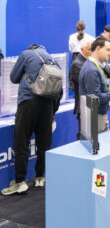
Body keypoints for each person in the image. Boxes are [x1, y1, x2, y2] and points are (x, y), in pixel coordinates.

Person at [2, 45, 62, 195]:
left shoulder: (26, 54)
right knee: (44, 143)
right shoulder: (53, 59)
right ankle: (40, 177)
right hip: (47, 105)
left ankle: (20, 182)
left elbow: (13, 77)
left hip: (28, 102)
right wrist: (53, 110)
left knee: (21, 142)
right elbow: (59, 90)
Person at [79, 36, 110, 133]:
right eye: (107, 50)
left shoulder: (96, 66)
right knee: (97, 147)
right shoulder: (91, 70)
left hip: (99, 115)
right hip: (95, 116)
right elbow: (96, 98)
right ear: (98, 49)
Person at [68, 37, 92, 139]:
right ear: (82, 49)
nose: (92, 52)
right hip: (83, 105)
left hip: (91, 104)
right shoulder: (77, 64)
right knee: (84, 136)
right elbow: (87, 84)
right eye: (90, 49)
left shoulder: (90, 61)